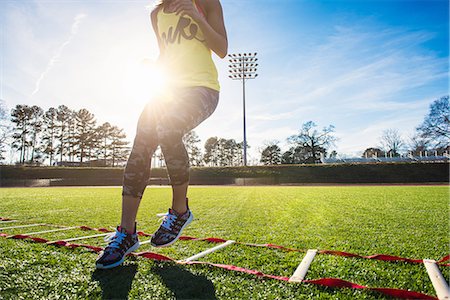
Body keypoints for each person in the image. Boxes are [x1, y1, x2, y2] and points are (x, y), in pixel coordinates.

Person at [95, 0, 227, 269]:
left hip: (203, 89)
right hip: (168, 91)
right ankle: (126, 234)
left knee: (168, 128)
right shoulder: (156, 15)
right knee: (140, 148)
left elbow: (222, 49)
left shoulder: (207, 3)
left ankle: (180, 211)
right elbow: (167, 56)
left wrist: (197, 16)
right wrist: (154, 67)